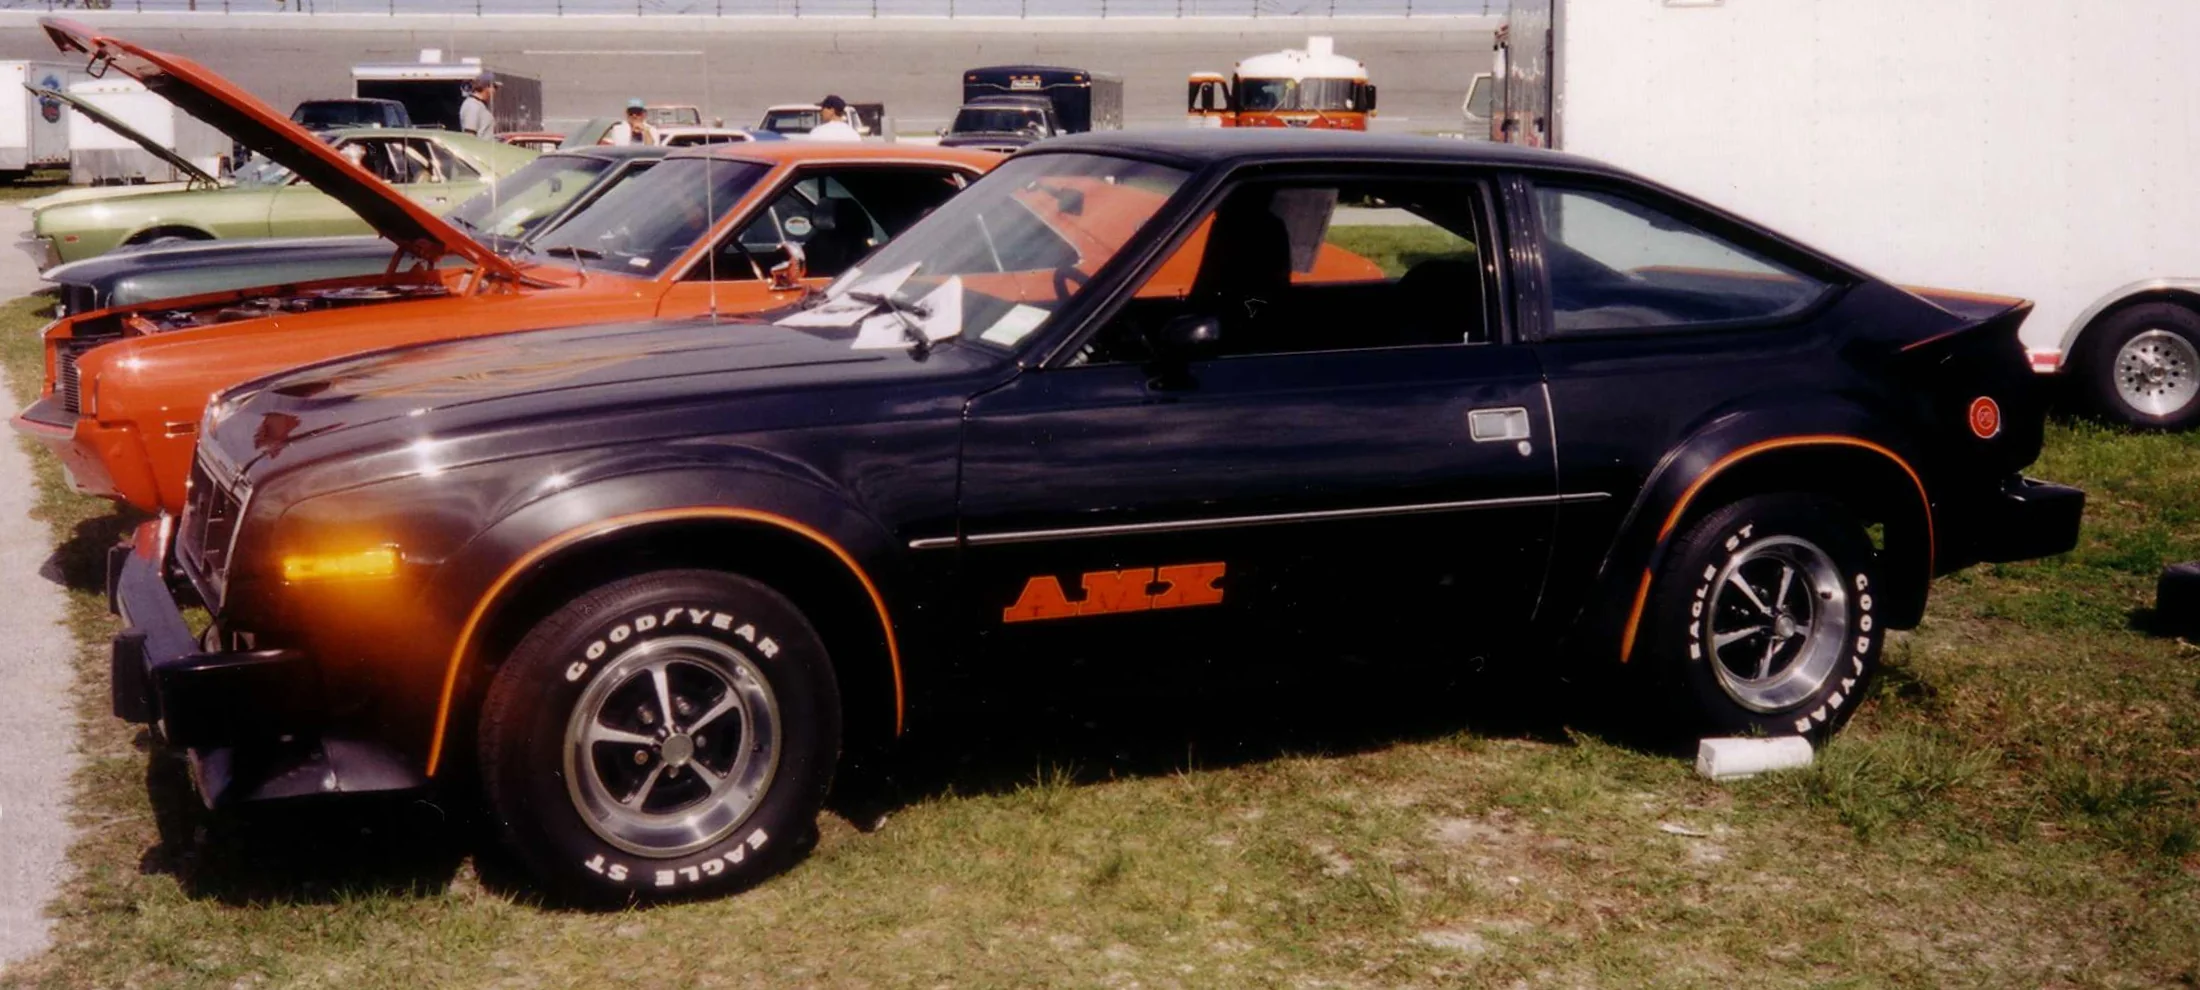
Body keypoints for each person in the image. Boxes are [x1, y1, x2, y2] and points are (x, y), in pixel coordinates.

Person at [459, 71, 497, 140]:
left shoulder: (480, 105)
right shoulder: (472, 105)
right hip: (480, 150)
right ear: (486, 87)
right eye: (495, 87)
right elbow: (469, 136)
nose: (495, 91)